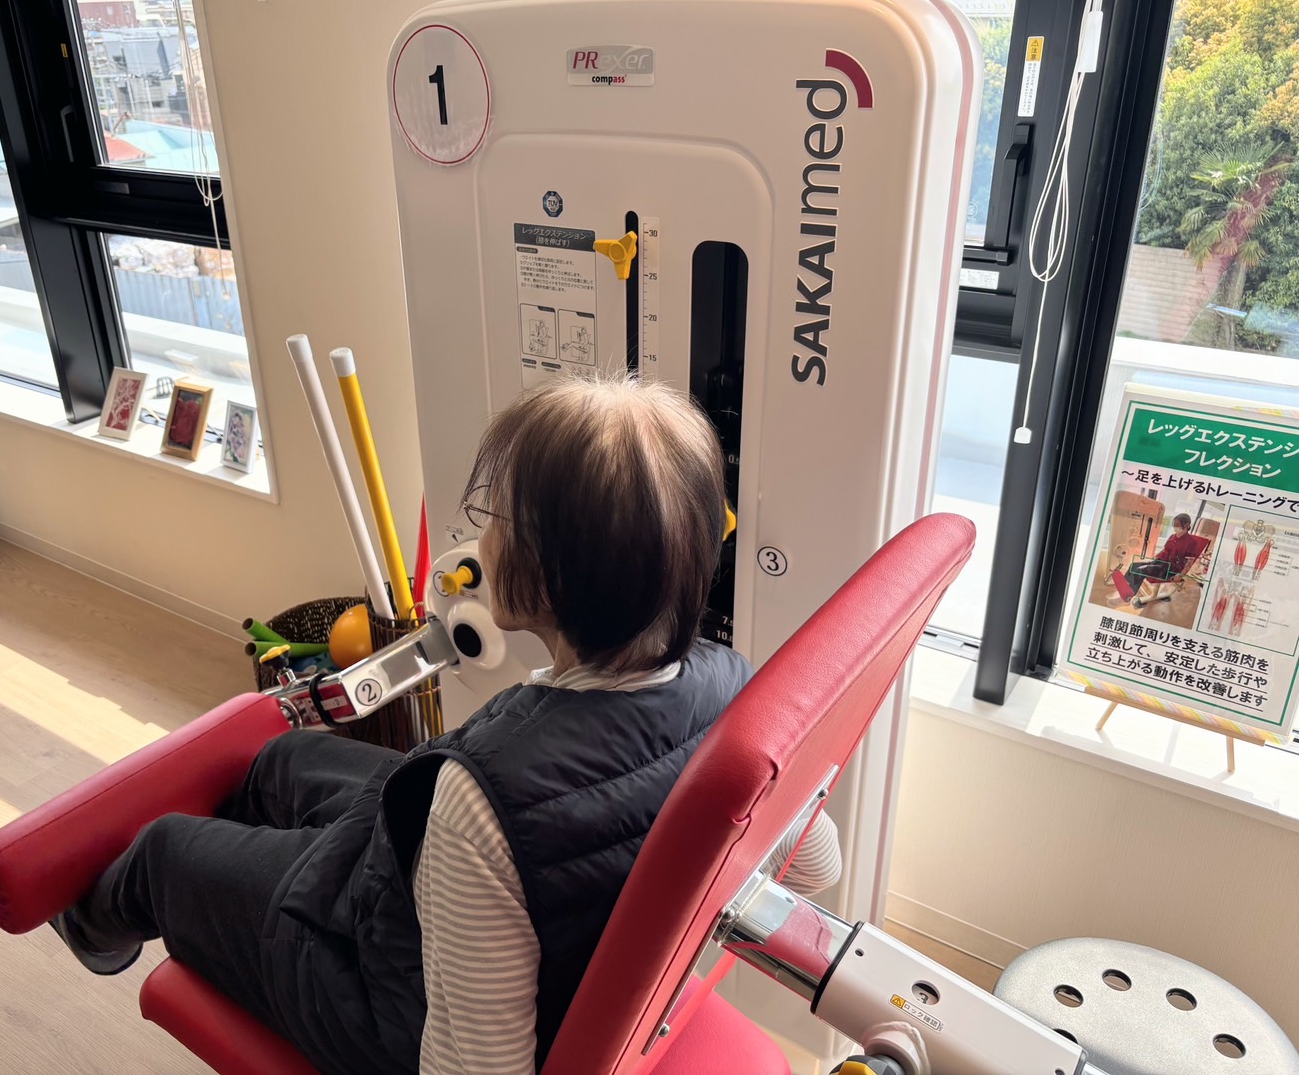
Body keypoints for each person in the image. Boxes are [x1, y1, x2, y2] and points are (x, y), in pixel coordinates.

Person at [49, 376, 841, 1075]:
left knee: (163, 852)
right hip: (448, 903)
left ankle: (90, 926)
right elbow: (815, 865)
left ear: (547, 577)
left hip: (389, 1008)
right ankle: (260, 877)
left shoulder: (479, 802)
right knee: (283, 761)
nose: (484, 540)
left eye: (497, 517)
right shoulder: (742, 695)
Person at [1128, 512, 1206, 609]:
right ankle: (1126, 588)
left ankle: (1129, 595)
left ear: (1186, 525)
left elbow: (1189, 562)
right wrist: (1155, 557)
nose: (1175, 527)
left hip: (1171, 569)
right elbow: (1165, 550)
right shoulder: (1172, 536)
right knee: (1134, 565)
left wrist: (1180, 575)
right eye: (1174, 524)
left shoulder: (1191, 542)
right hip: (1161, 563)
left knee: (1141, 570)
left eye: (1177, 524)